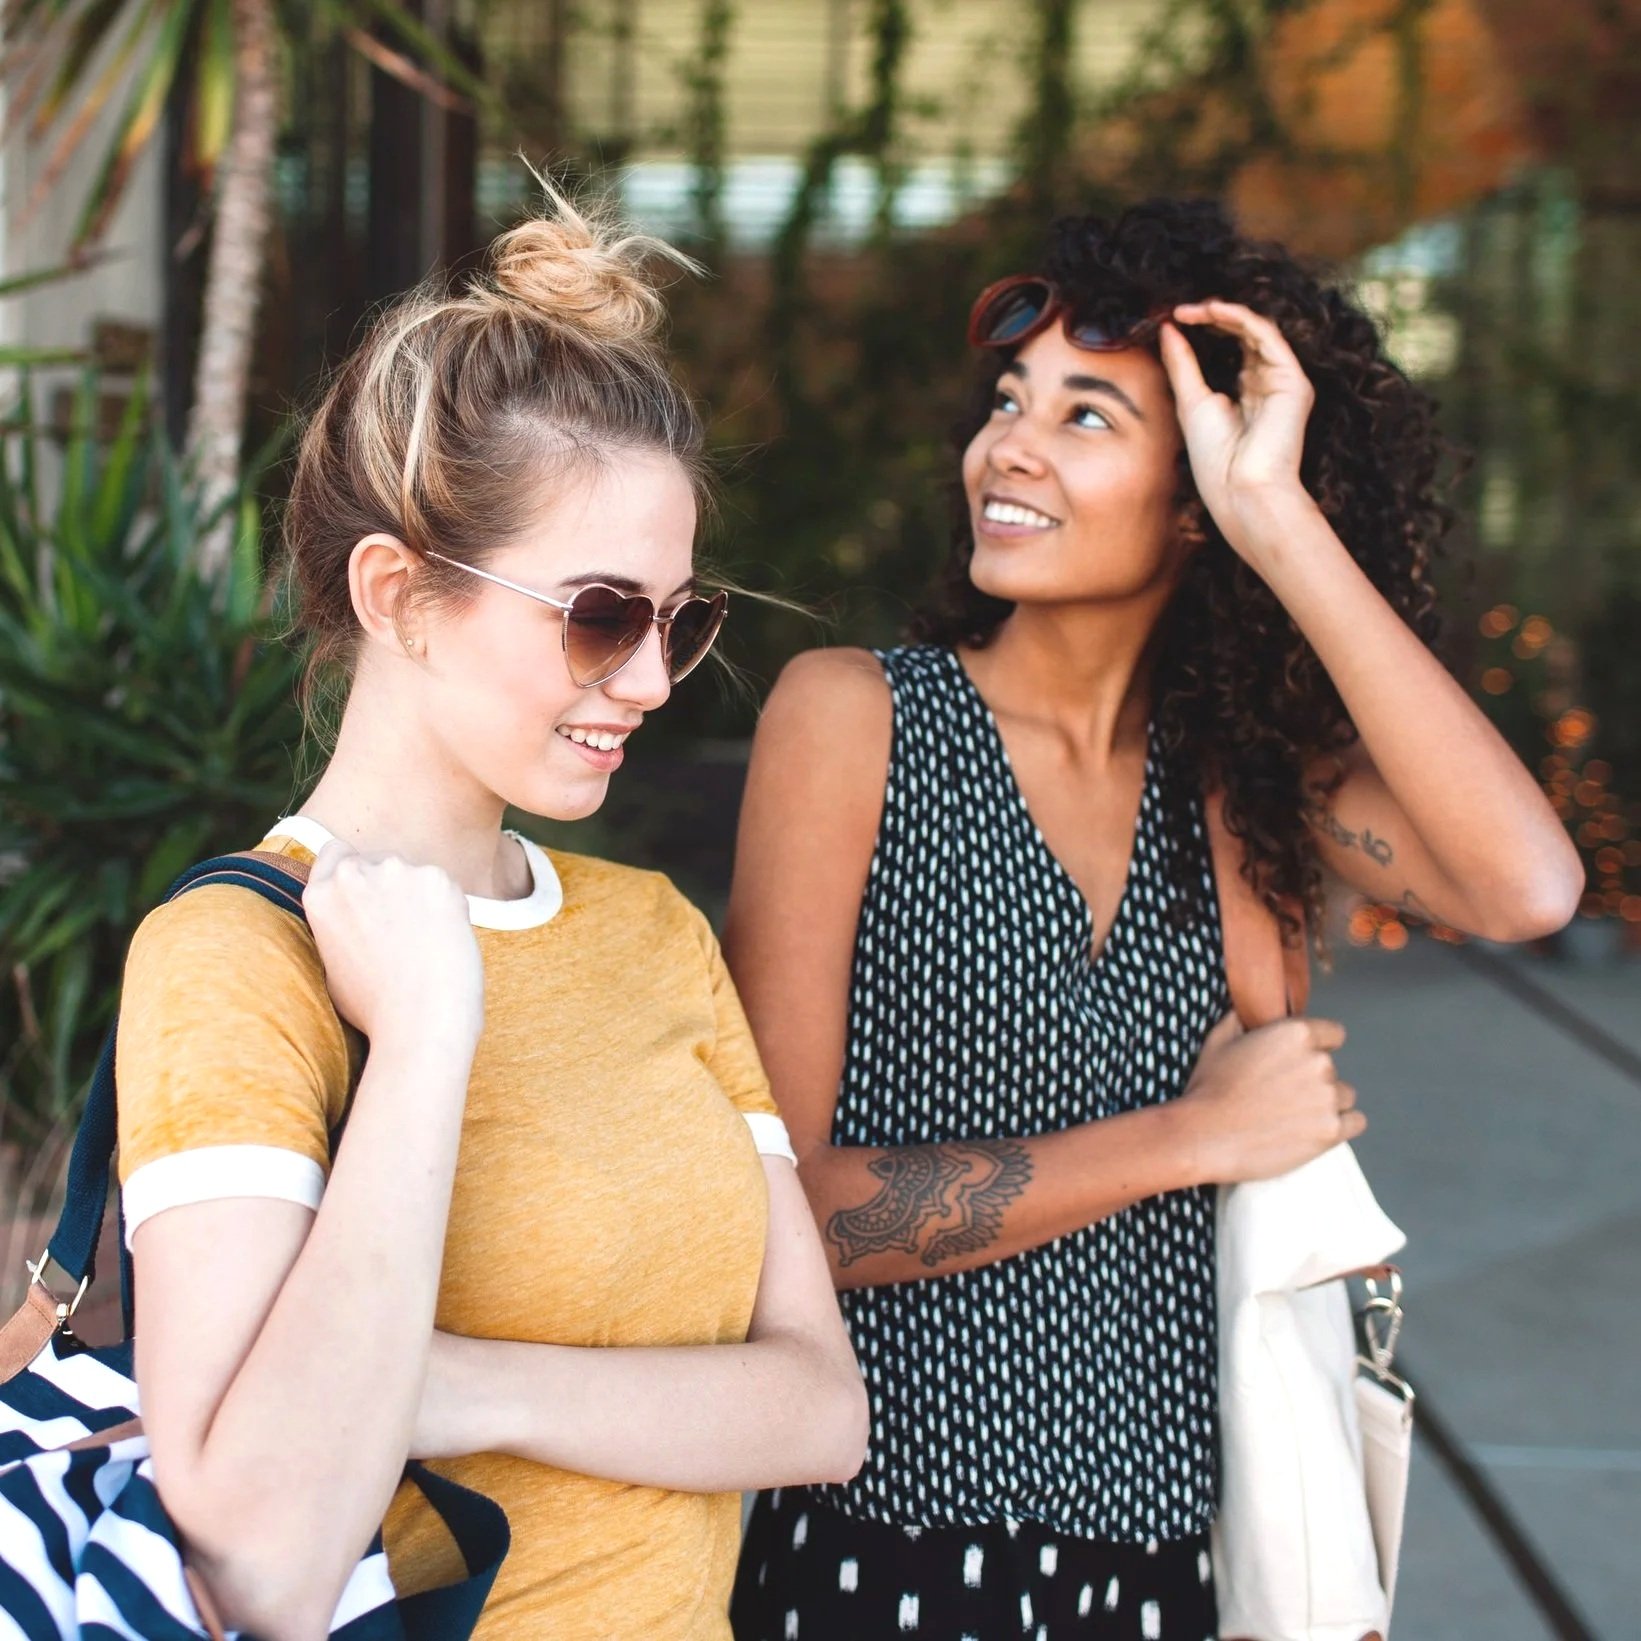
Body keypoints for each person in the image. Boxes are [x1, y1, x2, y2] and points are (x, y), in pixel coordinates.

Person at [726, 198, 1581, 1639]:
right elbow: (773, 1215)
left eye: (1084, 418)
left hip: (1178, 1572)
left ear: (1191, 492)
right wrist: (1185, 1140)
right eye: (1008, 402)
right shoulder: (857, 720)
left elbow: (1527, 886)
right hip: (887, 1552)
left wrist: (1277, 521)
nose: (1006, 447)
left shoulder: (1248, 784)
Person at [114, 188, 866, 1641]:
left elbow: (819, 1405)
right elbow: (268, 1550)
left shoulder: (654, 931)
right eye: (598, 612)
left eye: (678, 618)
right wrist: (424, 1034)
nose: (650, 680)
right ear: (397, 594)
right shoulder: (232, 959)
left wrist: (451, 1380)